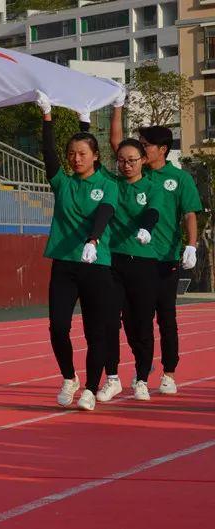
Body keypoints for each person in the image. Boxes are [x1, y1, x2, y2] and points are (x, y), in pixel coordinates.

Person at [110, 104, 203, 394]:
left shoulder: (180, 178)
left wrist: (191, 245)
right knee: (133, 317)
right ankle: (144, 358)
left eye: (146, 145)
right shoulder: (139, 173)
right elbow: (117, 144)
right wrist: (117, 106)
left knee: (166, 317)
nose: (141, 149)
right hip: (137, 259)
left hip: (165, 257)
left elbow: (190, 213)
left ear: (162, 149)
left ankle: (169, 372)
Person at [37, 91, 118, 411]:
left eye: (82, 153)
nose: (75, 158)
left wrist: (93, 240)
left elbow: (105, 212)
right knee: (58, 326)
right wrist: (47, 116)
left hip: (95, 264)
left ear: (95, 156)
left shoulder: (107, 184)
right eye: (71, 153)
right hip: (64, 265)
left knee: (95, 330)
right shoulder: (63, 183)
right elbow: (48, 154)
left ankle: (91, 388)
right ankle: (69, 377)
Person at [95, 131, 161, 403]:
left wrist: (146, 228)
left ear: (143, 160)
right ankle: (112, 378)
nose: (126, 165)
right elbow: (92, 160)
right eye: (121, 160)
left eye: (132, 160)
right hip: (113, 262)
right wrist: (85, 119)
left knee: (140, 324)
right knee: (109, 321)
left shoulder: (152, 187)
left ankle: (142, 378)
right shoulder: (111, 183)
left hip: (143, 262)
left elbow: (153, 211)